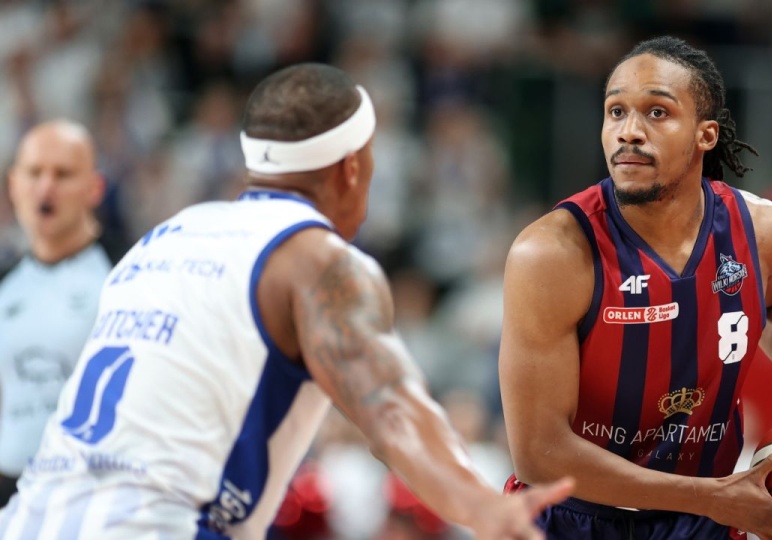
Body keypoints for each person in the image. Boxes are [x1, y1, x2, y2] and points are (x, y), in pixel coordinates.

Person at [0, 64, 572, 539]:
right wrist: (483, 507)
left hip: (29, 516)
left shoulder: (161, 237)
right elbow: (393, 414)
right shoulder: (319, 262)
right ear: (352, 167)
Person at [498, 36, 772, 540]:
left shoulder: (758, 230)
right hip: (572, 517)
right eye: (616, 111)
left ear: (705, 134)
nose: (629, 131)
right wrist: (709, 497)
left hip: (703, 519)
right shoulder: (552, 254)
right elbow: (539, 455)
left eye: (657, 112)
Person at [0, 120, 112, 507]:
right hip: (10, 493)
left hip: (92, 496)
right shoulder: (6, 284)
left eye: (62, 174)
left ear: (95, 187)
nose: (46, 188)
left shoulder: (126, 275)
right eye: (34, 173)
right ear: (14, 185)